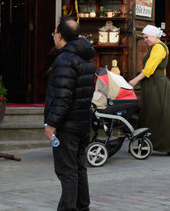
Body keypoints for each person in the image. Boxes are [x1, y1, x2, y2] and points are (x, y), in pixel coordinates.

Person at [44, 17, 95, 211]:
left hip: (68, 125)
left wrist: (51, 123)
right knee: (79, 169)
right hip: (82, 121)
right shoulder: (85, 55)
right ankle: (83, 206)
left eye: (54, 34)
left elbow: (63, 98)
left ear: (60, 36)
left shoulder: (65, 59)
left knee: (68, 171)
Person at [129, 25, 170, 155]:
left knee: (156, 114)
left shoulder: (159, 47)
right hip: (154, 84)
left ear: (154, 35)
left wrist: (135, 80)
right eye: (144, 38)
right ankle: (152, 145)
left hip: (157, 85)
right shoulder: (156, 47)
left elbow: (150, 69)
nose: (145, 40)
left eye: (147, 37)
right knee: (152, 114)